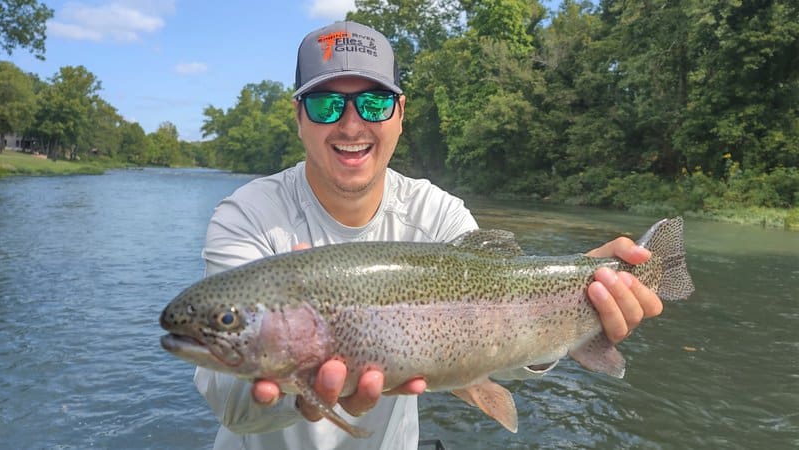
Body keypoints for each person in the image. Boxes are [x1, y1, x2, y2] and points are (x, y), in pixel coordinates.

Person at [194, 21, 663, 450]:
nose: (352, 124)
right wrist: (302, 390)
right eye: (326, 104)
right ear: (299, 117)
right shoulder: (247, 217)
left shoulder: (439, 215)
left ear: (399, 113)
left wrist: (583, 298)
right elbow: (232, 406)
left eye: (374, 102)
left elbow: (495, 346)